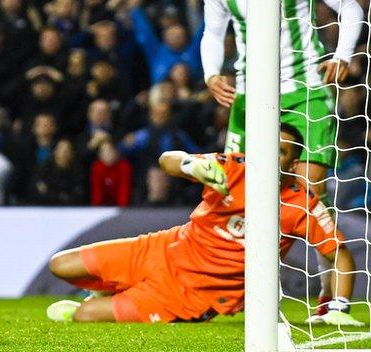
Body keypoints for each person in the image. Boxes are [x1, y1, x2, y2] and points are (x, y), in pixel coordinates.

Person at [201, 0, 363, 311]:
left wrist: (343, 56)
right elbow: (212, 33)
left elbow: (351, 9)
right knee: (235, 192)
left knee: (310, 189)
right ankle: (225, 287)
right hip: (250, 98)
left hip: (305, 90)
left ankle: (332, 293)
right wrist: (210, 73)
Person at [47, 125, 361, 326]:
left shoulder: (300, 204)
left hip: (196, 293)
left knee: (83, 316)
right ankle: (119, 291)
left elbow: (340, 254)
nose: (269, 153)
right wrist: (191, 165)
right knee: (60, 264)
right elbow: (167, 160)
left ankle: (118, 302)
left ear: (292, 164)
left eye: (280, 151)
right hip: (165, 249)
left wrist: (340, 305)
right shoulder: (232, 166)